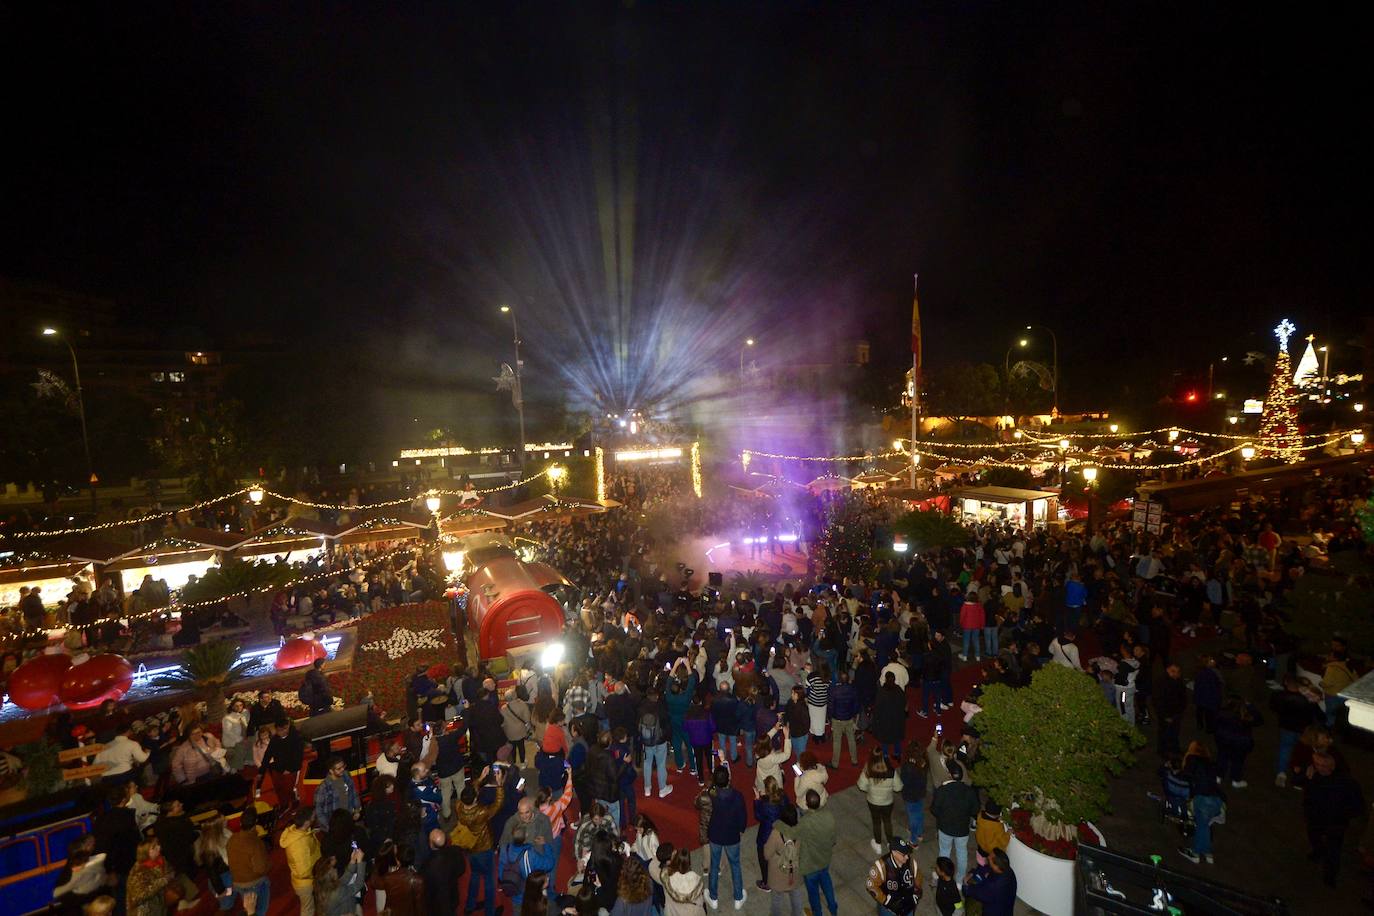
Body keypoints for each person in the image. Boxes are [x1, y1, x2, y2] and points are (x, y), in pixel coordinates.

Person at [1303, 750, 1366, 886]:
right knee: (1314, 835)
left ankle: (1330, 876)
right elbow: (1307, 794)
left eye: (1323, 765)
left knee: (1333, 849)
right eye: (1316, 764)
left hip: (1336, 822)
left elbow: (1358, 806)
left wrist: (1343, 815)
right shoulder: (1315, 776)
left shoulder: (1348, 783)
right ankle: (1318, 851)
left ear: (1332, 765)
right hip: (1316, 818)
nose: (1319, 768)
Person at [457, 767, 507, 916]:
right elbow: (497, 804)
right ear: (474, 799)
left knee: (474, 875)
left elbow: (471, 791)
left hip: (470, 848)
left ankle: (470, 905)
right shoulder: (481, 812)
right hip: (484, 848)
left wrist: (480, 777)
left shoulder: (459, 806)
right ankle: (490, 911)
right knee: (489, 880)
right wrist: (499, 785)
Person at [705, 764, 747, 910]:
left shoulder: (712, 794)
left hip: (715, 834)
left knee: (714, 865)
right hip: (732, 836)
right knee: (735, 865)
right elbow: (742, 816)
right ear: (728, 779)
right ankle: (738, 898)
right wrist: (741, 829)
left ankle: (713, 897)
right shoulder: (737, 796)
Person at [930, 760, 979, 879]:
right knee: (962, 853)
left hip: (945, 828)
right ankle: (959, 880)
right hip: (962, 829)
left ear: (950, 774)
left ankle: (942, 874)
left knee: (944, 851)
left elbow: (934, 810)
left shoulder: (942, 790)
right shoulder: (969, 791)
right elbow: (975, 810)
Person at [1270, 675, 1322, 787]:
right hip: (1304, 730)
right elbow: (1318, 715)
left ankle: (1281, 773)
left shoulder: (1279, 695)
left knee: (1285, 749)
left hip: (1286, 727)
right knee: (1303, 752)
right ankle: (1299, 778)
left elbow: (1273, 707)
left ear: (1286, 683)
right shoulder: (1308, 699)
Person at [794, 789, 838, 916]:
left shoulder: (804, 822)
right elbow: (833, 839)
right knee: (827, 883)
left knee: (813, 893)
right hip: (824, 859)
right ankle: (833, 908)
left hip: (810, 865)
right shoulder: (828, 816)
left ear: (807, 804)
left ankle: (817, 913)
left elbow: (798, 842)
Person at [857, 745, 904, 855]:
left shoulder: (868, 769)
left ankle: (878, 845)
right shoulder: (891, 771)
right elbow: (899, 788)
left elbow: (861, 786)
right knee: (887, 821)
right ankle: (890, 843)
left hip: (873, 802)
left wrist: (869, 789)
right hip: (887, 802)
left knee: (876, 822)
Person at [227, 806, 271, 916]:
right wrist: (269, 865)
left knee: (249, 908)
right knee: (260, 911)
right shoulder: (255, 843)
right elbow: (260, 868)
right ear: (256, 821)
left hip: (238, 883)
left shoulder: (232, 839)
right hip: (254, 883)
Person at [256, 718, 304, 812]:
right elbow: (267, 755)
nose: (282, 732)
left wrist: (289, 769)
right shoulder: (275, 740)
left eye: (285, 729)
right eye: (279, 730)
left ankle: (294, 802)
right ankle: (284, 804)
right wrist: (261, 771)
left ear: (288, 727)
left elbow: (298, 756)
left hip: (290, 770)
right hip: (277, 768)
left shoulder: (296, 738)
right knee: (279, 789)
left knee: (289, 789)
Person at [762, 805, 804, 916]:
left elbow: (766, 854)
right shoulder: (801, 831)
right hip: (794, 870)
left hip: (778, 872)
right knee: (796, 894)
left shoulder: (776, 834)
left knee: (776, 898)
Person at [280, 807, 322, 915]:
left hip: (306, 880)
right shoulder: (299, 844)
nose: (315, 819)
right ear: (307, 822)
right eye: (313, 817)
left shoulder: (297, 831)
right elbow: (303, 871)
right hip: (306, 882)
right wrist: (318, 873)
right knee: (308, 910)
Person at [866, 836, 921, 916]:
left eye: (907, 853)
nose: (907, 857)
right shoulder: (881, 866)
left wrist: (916, 893)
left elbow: (918, 876)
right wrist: (886, 901)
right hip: (889, 910)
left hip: (908, 906)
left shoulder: (911, 862)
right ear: (894, 852)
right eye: (903, 854)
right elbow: (871, 885)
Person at [422, 828, 467, 916]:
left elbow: (426, 887)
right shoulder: (455, 851)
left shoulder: (427, 866)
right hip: (452, 897)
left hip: (438, 904)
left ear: (431, 844)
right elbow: (462, 870)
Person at [650, 846, 706, 916]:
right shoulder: (695, 880)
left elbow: (652, 864)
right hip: (693, 912)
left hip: (672, 911)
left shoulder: (665, 877)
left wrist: (664, 857)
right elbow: (700, 901)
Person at [962, 847, 1017, 916]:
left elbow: (976, 892)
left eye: (990, 858)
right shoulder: (1008, 871)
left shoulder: (993, 886)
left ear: (996, 866)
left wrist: (965, 885)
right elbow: (987, 868)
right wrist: (973, 872)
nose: (988, 857)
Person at [639, 687, 673, 798]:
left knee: (647, 762)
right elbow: (667, 723)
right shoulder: (661, 707)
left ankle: (647, 788)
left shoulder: (642, 707)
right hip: (660, 740)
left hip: (647, 740)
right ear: (657, 696)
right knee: (661, 763)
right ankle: (662, 788)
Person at [125, 839, 173, 916]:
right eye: (154, 847)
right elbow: (139, 896)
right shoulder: (139, 871)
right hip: (145, 911)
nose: (159, 847)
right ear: (146, 853)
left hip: (160, 905)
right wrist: (163, 881)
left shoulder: (160, 859)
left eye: (158, 844)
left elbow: (170, 872)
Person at [314, 849, 365, 916]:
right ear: (330, 876)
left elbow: (344, 879)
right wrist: (360, 862)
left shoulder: (323, 886)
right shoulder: (337, 891)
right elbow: (359, 884)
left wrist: (352, 860)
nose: (335, 869)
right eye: (333, 868)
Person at [314, 755, 361, 828]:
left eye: (343, 766)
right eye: (339, 768)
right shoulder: (323, 788)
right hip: (335, 825)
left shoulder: (346, 775)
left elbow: (353, 792)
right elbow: (318, 812)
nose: (342, 769)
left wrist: (357, 810)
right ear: (331, 771)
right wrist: (329, 827)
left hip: (348, 818)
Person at [1154, 663, 1188, 757]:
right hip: (1166, 714)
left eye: (1177, 672)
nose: (1175, 674)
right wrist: (1165, 715)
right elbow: (1158, 701)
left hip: (1176, 713)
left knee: (1175, 732)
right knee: (1164, 733)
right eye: (1173, 671)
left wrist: (1181, 709)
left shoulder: (1178, 681)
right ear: (1168, 670)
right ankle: (1163, 751)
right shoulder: (1161, 682)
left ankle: (1174, 748)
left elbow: (1183, 696)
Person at [829, 669, 860, 768]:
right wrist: (852, 714)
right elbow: (856, 705)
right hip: (849, 718)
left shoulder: (834, 690)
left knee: (837, 741)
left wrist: (831, 717)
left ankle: (835, 763)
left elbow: (831, 706)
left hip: (837, 718)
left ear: (839, 680)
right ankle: (854, 760)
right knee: (851, 739)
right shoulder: (853, 689)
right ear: (848, 679)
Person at [898, 743, 928, 845]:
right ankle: (919, 833)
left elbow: (904, 781)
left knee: (912, 817)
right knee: (919, 813)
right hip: (920, 793)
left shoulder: (908, 767)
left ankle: (913, 840)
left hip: (910, 795)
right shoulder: (923, 764)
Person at [872, 672, 906, 760]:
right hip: (897, 718)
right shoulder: (898, 690)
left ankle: (886, 755)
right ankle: (897, 753)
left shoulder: (882, 692)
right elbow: (904, 703)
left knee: (884, 738)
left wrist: (876, 720)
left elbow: (877, 707)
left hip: (885, 719)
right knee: (897, 736)